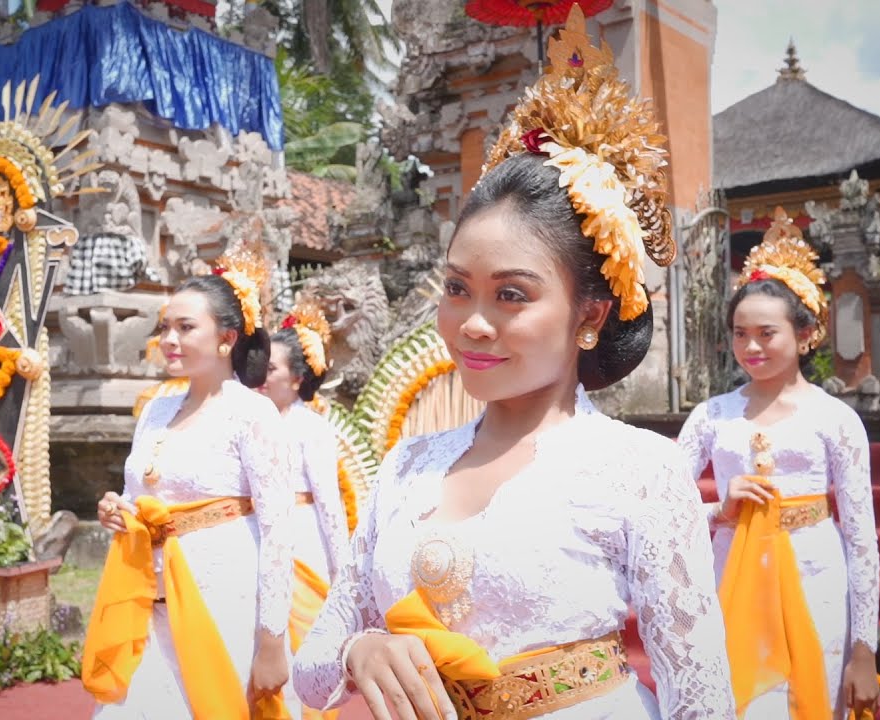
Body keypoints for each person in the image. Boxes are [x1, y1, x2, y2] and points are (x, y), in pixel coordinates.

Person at [291, 14, 733, 719]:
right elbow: (310, 673)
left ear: (590, 315)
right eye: (457, 288)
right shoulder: (407, 468)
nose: (472, 322)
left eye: (512, 295)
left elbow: (701, 700)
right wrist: (359, 651)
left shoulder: (641, 472)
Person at [678, 211, 880, 720]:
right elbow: (662, 508)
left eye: (766, 333)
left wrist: (865, 651)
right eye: (739, 333)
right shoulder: (710, 416)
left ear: (805, 333)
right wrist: (719, 511)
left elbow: (862, 539)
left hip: (817, 577)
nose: (750, 347)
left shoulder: (836, 419)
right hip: (731, 575)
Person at [83, 244, 300, 719]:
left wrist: (271, 641)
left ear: (226, 338)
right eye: (165, 327)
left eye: (185, 328)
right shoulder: (155, 410)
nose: (169, 340)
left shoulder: (252, 413)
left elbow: (279, 532)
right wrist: (117, 508)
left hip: (222, 604)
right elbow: (141, 494)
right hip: (146, 599)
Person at [260, 300, 352, 717]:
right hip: (258, 537)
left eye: (271, 369)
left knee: (304, 639)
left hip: (302, 539)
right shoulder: (248, 421)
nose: (261, 377)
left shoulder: (311, 428)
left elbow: (330, 505)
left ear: (297, 378)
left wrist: (342, 575)